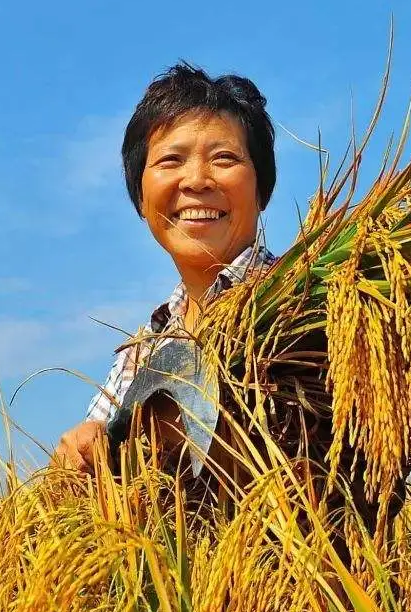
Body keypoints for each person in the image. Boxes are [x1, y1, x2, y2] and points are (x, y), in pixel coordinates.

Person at [53, 63, 278, 473]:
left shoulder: (312, 305)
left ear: (263, 188)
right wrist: (77, 459)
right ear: (141, 198)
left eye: (224, 158)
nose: (196, 180)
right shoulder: (137, 357)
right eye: (170, 160)